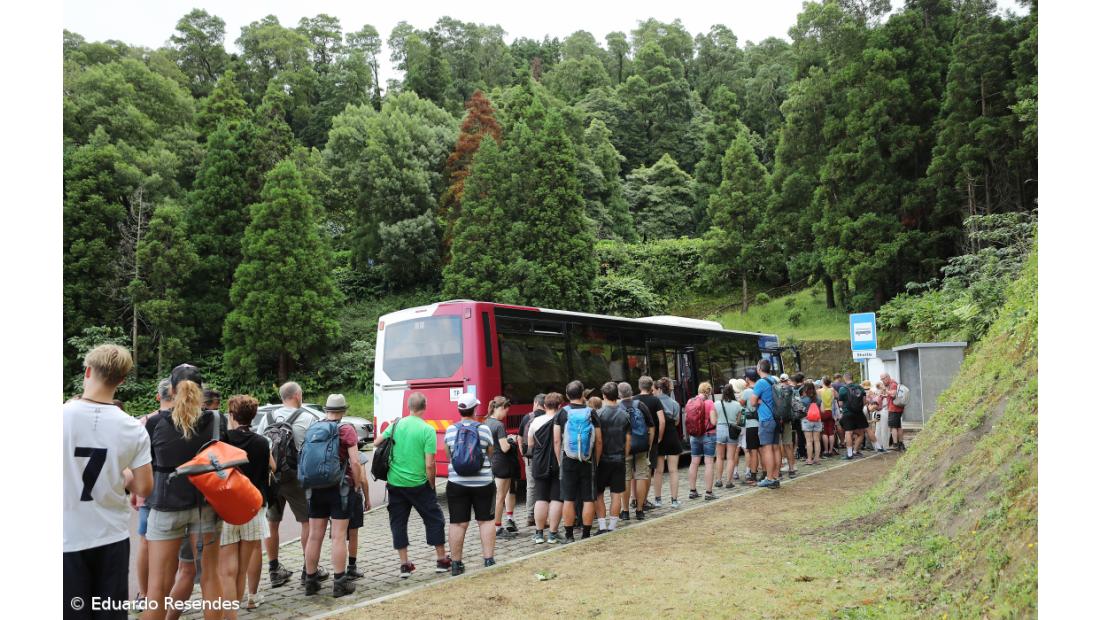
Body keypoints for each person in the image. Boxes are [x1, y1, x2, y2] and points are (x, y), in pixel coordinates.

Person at [64, 344, 153, 620]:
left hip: (66, 538)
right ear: (122, 380)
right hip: (111, 537)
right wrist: (120, 474)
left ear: (88, 371)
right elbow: (144, 487)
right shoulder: (132, 428)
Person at [144, 364, 227, 620]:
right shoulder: (216, 419)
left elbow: (147, 463)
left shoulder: (155, 422)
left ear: (170, 389)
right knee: (211, 578)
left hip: (166, 505)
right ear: (201, 391)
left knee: (158, 586)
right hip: (206, 506)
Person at [252, 382, 322, 587]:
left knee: (272, 523)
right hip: (296, 476)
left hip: (272, 478)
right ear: (297, 395)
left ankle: (274, 570)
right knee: (307, 522)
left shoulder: (268, 417)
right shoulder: (308, 417)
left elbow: (261, 444)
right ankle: (309, 569)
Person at [373, 392, 450, 578]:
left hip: (395, 483)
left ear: (409, 407)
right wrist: (431, 485)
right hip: (418, 483)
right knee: (434, 519)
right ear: (425, 407)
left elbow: (376, 442)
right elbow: (430, 464)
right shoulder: (427, 430)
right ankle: (441, 560)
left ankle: (404, 564)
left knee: (398, 522)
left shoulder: (396, 424)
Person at [301, 394, 362, 597]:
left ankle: (310, 581)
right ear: (343, 410)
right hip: (340, 489)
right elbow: (354, 462)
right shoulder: (346, 429)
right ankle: (339, 582)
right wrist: (357, 484)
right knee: (338, 537)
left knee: (314, 535)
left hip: (315, 489)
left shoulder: (314, 428)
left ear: (326, 410)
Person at [217, 395, 271, 613]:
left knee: (227, 570)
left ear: (231, 415)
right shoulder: (261, 442)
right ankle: (247, 600)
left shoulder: (223, 440)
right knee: (244, 566)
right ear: (254, 415)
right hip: (254, 508)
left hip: (227, 508)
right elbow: (271, 468)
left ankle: (229, 613)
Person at [443, 393, 496, 575]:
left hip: (457, 483)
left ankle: (456, 564)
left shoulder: (450, 430)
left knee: (457, 523)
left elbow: (450, 456)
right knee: (486, 521)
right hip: (483, 483)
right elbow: (490, 452)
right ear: (475, 410)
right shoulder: (484, 429)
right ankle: (488, 560)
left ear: (459, 410)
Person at [132, 378, 173, 607]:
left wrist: (135, 490)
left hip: (149, 487)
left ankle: (144, 595)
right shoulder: (185, 421)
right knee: (173, 545)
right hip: (177, 489)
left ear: (158, 396)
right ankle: (167, 596)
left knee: (146, 542)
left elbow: (136, 459)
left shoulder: (145, 422)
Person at [553, 381, 603, 542]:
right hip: (588, 460)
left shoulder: (562, 413)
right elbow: (599, 440)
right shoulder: (591, 412)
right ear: (582, 394)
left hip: (568, 459)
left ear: (567, 395)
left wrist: (560, 460)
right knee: (588, 497)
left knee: (568, 498)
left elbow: (556, 441)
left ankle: (569, 536)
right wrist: (595, 459)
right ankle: (586, 534)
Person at [594, 382, 630, 534]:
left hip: (602, 459)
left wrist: (596, 460)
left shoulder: (598, 414)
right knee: (616, 494)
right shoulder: (625, 414)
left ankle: (602, 526)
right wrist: (625, 454)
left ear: (603, 396)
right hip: (619, 458)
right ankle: (613, 526)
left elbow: (598, 440)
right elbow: (628, 439)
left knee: (598, 494)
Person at [528, 393, 564, 544]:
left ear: (544, 406)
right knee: (556, 497)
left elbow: (530, 444)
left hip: (540, 462)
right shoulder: (562, 420)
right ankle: (553, 534)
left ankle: (538, 533)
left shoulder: (535, 421)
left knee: (541, 497)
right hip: (558, 462)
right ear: (560, 406)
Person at [484, 396, 519, 539]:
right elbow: (505, 448)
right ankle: (497, 527)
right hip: (503, 463)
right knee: (500, 497)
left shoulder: (486, 422)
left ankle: (493, 526)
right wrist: (513, 440)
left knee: (495, 497)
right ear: (500, 408)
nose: (506, 414)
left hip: (492, 461)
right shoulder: (499, 425)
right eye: (506, 410)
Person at [618, 382, 653, 521]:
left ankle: (625, 511)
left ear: (619, 394)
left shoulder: (617, 407)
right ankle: (639, 510)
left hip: (624, 448)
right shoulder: (640, 405)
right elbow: (651, 426)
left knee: (626, 478)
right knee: (641, 476)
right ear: (631, 391)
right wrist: (648, 444)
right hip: (641, 446)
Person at [629, 376, 663, 519]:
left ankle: (633, 498)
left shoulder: (632, 399)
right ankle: (643, 501)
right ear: (651, 387)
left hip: (632, 440)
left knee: (631, 471)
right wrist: (659, 438)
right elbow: (661, 420)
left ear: (639, 386)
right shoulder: (655, 400)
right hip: (649, 439)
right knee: (646, 471)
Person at [747, 360, 781, 489]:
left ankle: (770, 478)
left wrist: (759, 401)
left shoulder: (761, 382)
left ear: (759, 368)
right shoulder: (774, 380)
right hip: (777, 418)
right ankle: (776, 476)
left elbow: (753, 402)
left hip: (766, 419)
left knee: (767, 449)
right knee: (776, 448)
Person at [685, 382, 719, 500]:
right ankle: (709, 493)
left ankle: (692, 491)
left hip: (694, 436)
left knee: (694, 462)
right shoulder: (709, 403)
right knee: (709, 462)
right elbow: (714, 422)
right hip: (708, 435)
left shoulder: (691, 401)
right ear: (708, 392)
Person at [651, 377, 681, 509]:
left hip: (659, 435)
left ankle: (658, 499)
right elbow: (676, 422)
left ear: (658, 388)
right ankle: (674, 500)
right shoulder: (675, 403)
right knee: (673, 470)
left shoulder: (654, 402)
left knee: (658, 470)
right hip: (672, 435)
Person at [517, 394, 545, 527]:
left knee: (531, 485)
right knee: (545, 485)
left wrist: (523, 453)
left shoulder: (527, 417)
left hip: (529, 457)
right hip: (544, 456)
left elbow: (519, 436)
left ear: (535, 403)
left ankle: (530, 516)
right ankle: (544, 517)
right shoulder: (548, 418)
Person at [345, 448, 371, 581]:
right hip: (352, 495)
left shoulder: (334, 450)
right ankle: (351, 567)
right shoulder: (358, 455)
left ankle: (338, 568)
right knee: (353, 533)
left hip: (335, 495)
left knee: (339, 535)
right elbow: (362, 479)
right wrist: (367, 499)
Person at [714, 382, 742, 488]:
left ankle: (718, 480)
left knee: (719, 457)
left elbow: (715, 418)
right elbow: (738, 421)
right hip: (732, 430)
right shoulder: (737, 404)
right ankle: (729, 482)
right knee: (730, 458)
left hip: (720, 429)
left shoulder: (716, 404)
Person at [735, 378, 761, 485]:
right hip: (759, 422)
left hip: (750, 424)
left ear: (748, 380)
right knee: (761, 451)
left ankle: (753, 475)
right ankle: (764, 473)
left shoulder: (747, 391)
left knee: (752, 451)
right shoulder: (759, 389)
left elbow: (741, 403)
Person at [836, 373, 868, 459]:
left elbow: (840, 404)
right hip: (859, 413)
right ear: (852, 378)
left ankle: (849, 454)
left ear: (844, 378)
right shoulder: (860, 387)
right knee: (861, 433)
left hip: (847, 413)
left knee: (848, 433)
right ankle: (855, 451)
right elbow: (865, 402)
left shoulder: (842, 389)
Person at [881, 373, 907, 451]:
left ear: (887, 377)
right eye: (881, 379)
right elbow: (893, 395)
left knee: (894, 427)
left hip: (894, 409)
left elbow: (893, 394)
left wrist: (885, 390)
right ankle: (900, 444)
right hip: (896, 408)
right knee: (898, 426)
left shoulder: (893, 384)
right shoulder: (893, 384)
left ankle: (895, 444)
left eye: (883, 379)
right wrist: (885, 396)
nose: (882, 381)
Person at [800, 381, 823, 465]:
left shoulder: (803, 399)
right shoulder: (818, 399)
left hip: (807, 420)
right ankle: (817, 459)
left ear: (805, 389)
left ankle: (809, 459)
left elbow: (800, 411)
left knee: (809, 441)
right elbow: (822, 410)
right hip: (817, 420)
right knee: (817, 441)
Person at [820, 376, 838, 457]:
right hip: (830, 411)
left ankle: (826, 450)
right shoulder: (832, 390)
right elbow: (837, 396)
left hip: (822, 412)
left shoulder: (819, 391)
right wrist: (831, 386)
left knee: (824, 432)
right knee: (830, 432)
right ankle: (831, 450)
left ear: (823, 382)